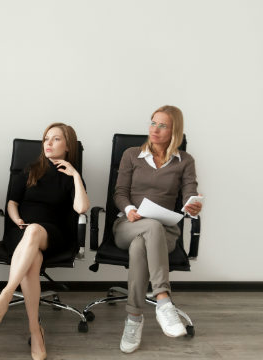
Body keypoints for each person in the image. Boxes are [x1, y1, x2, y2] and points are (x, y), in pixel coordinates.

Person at [0, 123, 89, 360]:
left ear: (68, 145)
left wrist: (74, 175)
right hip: (20, 231)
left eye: (55, 139)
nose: (48, 144)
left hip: (52, 234)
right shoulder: (30, 169)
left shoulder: (71, 176)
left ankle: (6, 294)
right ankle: (36, 331)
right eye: (46, 139)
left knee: (34, 232)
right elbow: (12, 201)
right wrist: (17, 219)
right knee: (33, 259)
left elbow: (82, 207)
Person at [114, 105, 202, 353]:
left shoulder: (185, 161)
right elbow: (119, 192)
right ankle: (163, 301)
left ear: (175, 130)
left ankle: (133, 319)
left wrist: (192, 205)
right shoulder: (131, 154)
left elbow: (190, 193)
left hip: (165, 231)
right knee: (145, 229)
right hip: (128, 224)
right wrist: (130, 209)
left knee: (142, 242)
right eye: (153, 122)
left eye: (162, 125)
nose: (155, 129)